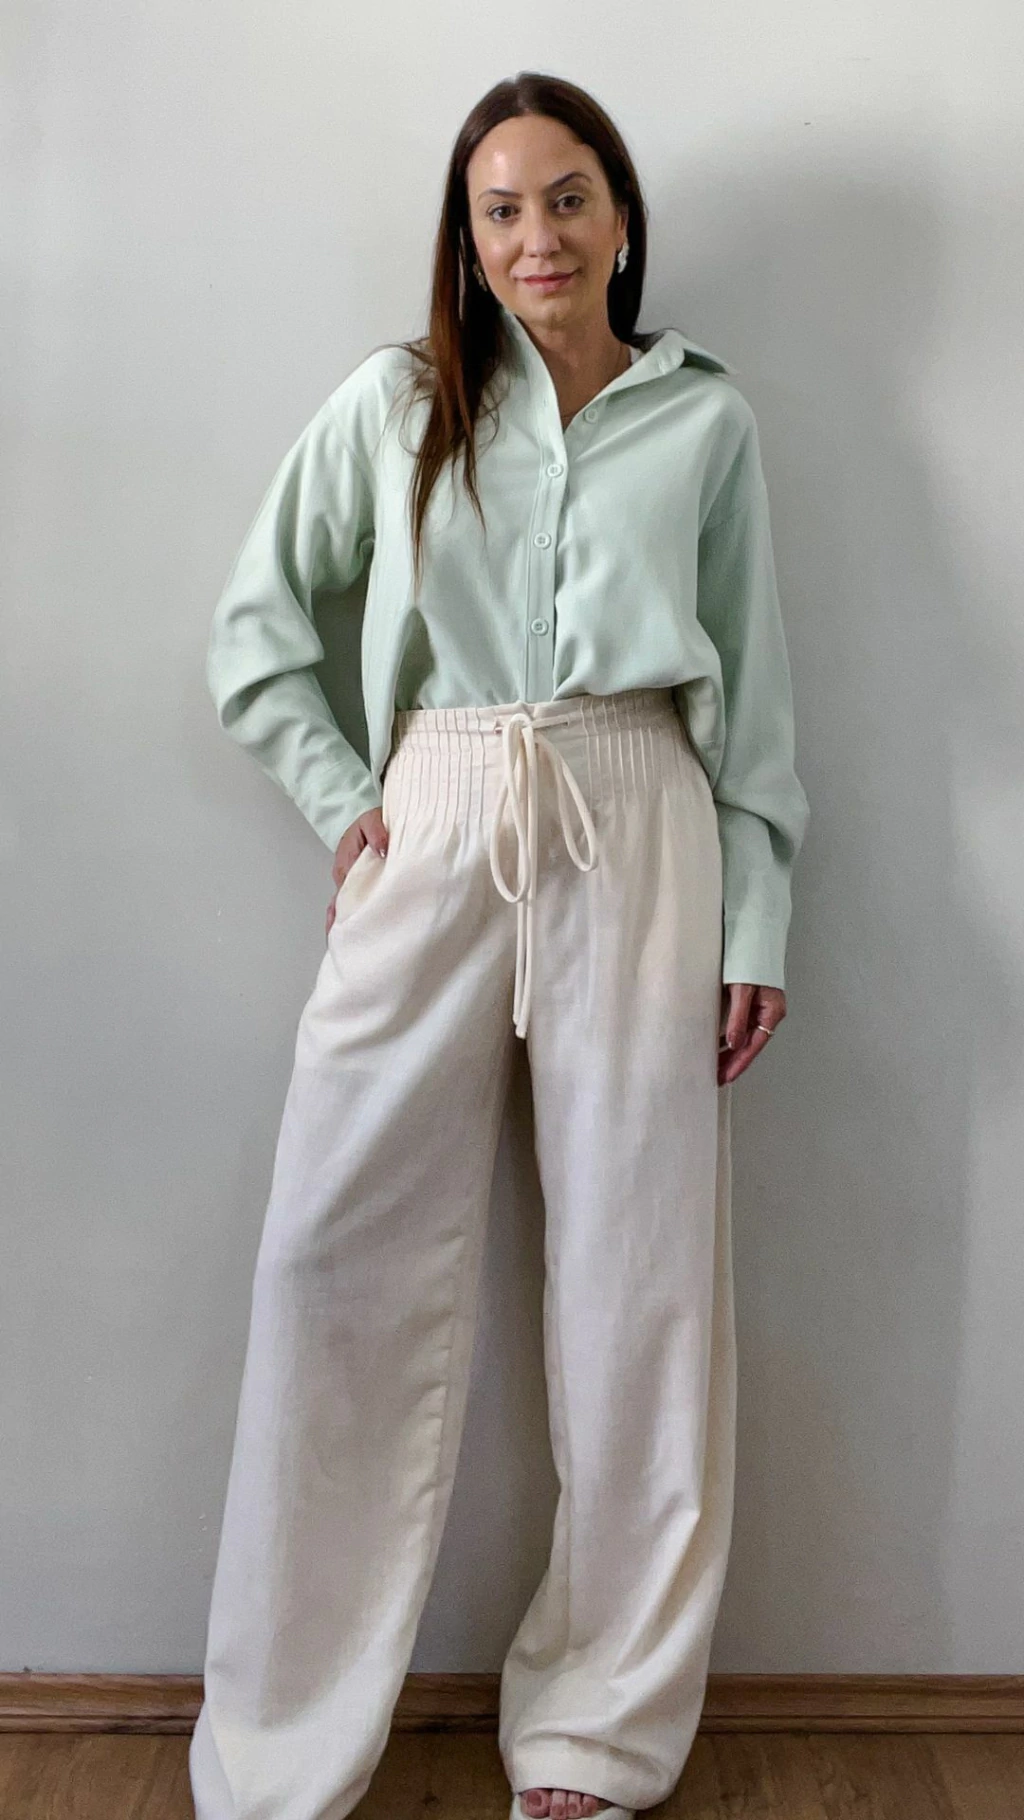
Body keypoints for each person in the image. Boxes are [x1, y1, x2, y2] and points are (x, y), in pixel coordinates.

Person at [188, 70, 810, 1820]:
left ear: (621, 214)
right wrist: (349, 801)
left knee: (641, 1285)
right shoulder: (398, 404)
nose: (538, 235)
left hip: (640, 806)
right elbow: (254, 635)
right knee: (330, 1255)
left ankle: (598, 1729)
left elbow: (755, 695)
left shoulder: (706, 420)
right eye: (501, 208)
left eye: (567, 197)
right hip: (440, 807)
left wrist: (759, 909)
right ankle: (283, 1743)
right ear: (466, 240)